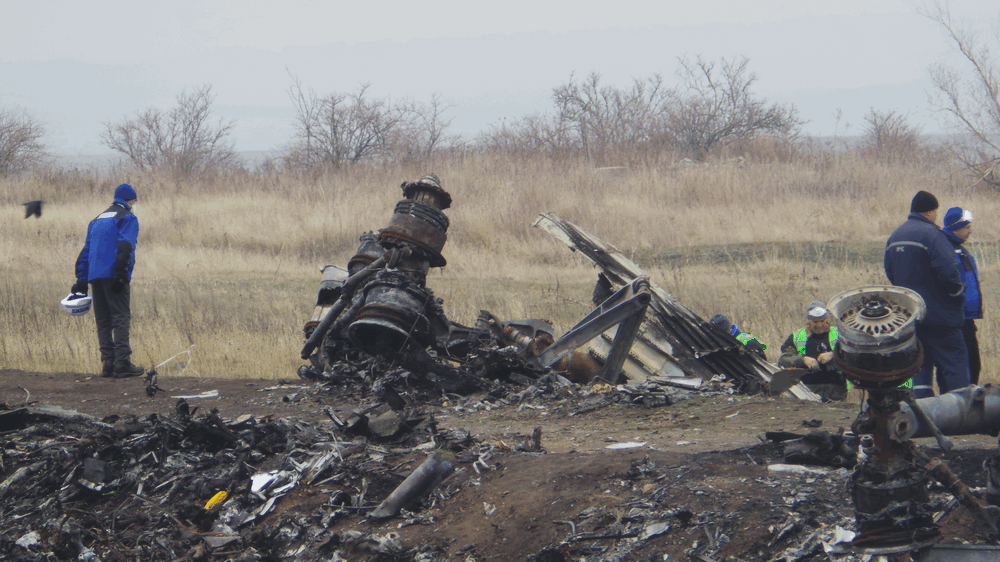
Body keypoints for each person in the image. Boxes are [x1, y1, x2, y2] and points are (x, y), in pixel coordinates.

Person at [884, 191, 969, 398]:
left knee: (920, 364)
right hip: (942, 316)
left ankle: (923, 412)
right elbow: (949, 272)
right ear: (931, 212)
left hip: (912, 316)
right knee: (954, 363)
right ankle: (963, 413)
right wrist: (957, 294)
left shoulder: (895, 236)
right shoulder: (933, 235)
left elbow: (890, 272)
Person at [71, 183, 144, 378]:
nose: (134, 204)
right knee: (120, 317)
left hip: (95, 275)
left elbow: (86, 252)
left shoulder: (96, 220)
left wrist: (81, 279)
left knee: (103, 320)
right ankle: (122, 363)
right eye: (134, 201)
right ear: (130, 200)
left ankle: (108, 363)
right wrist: (121, 274)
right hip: (114, 273)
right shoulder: (127, 218)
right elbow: (125, 246)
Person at [939, 206, 982, 387]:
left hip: (967, 318)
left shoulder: (961, 250)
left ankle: (970, 404)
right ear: (956, 227)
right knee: (955, 367)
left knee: (973, 364)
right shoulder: (944, 250)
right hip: (953, 319)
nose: (970, 232)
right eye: (966, 227)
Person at [778, 301, 846, 401]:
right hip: (807, 392)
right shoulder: (796, 337)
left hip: (836, 391)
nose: (819, 325)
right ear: (808, 321)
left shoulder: (840, 334)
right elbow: (783, 360)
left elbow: (854, 356)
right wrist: (803, 360)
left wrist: (834, 354)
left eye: (822, 321)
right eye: (815, 322)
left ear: (827, 319)